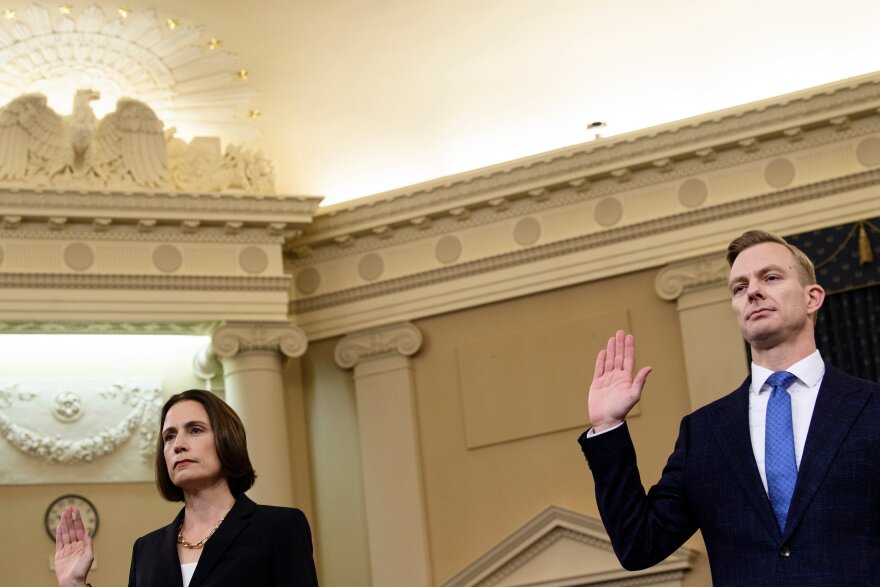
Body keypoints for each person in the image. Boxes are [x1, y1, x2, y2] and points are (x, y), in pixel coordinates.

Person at [579, 230, 880, 585]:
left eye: (770, 277)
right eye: (739, 287)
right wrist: (608, 426)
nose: (752, 291)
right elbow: (639, 544)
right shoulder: (705, 432)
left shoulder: (872, 407)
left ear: (812, 297)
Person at [54, 389, 319, 587]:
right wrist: (73, 583)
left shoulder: (279, 527)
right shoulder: (146, 549)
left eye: (195, 430)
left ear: (227, 439)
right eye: (169, 436)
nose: (178, 444)